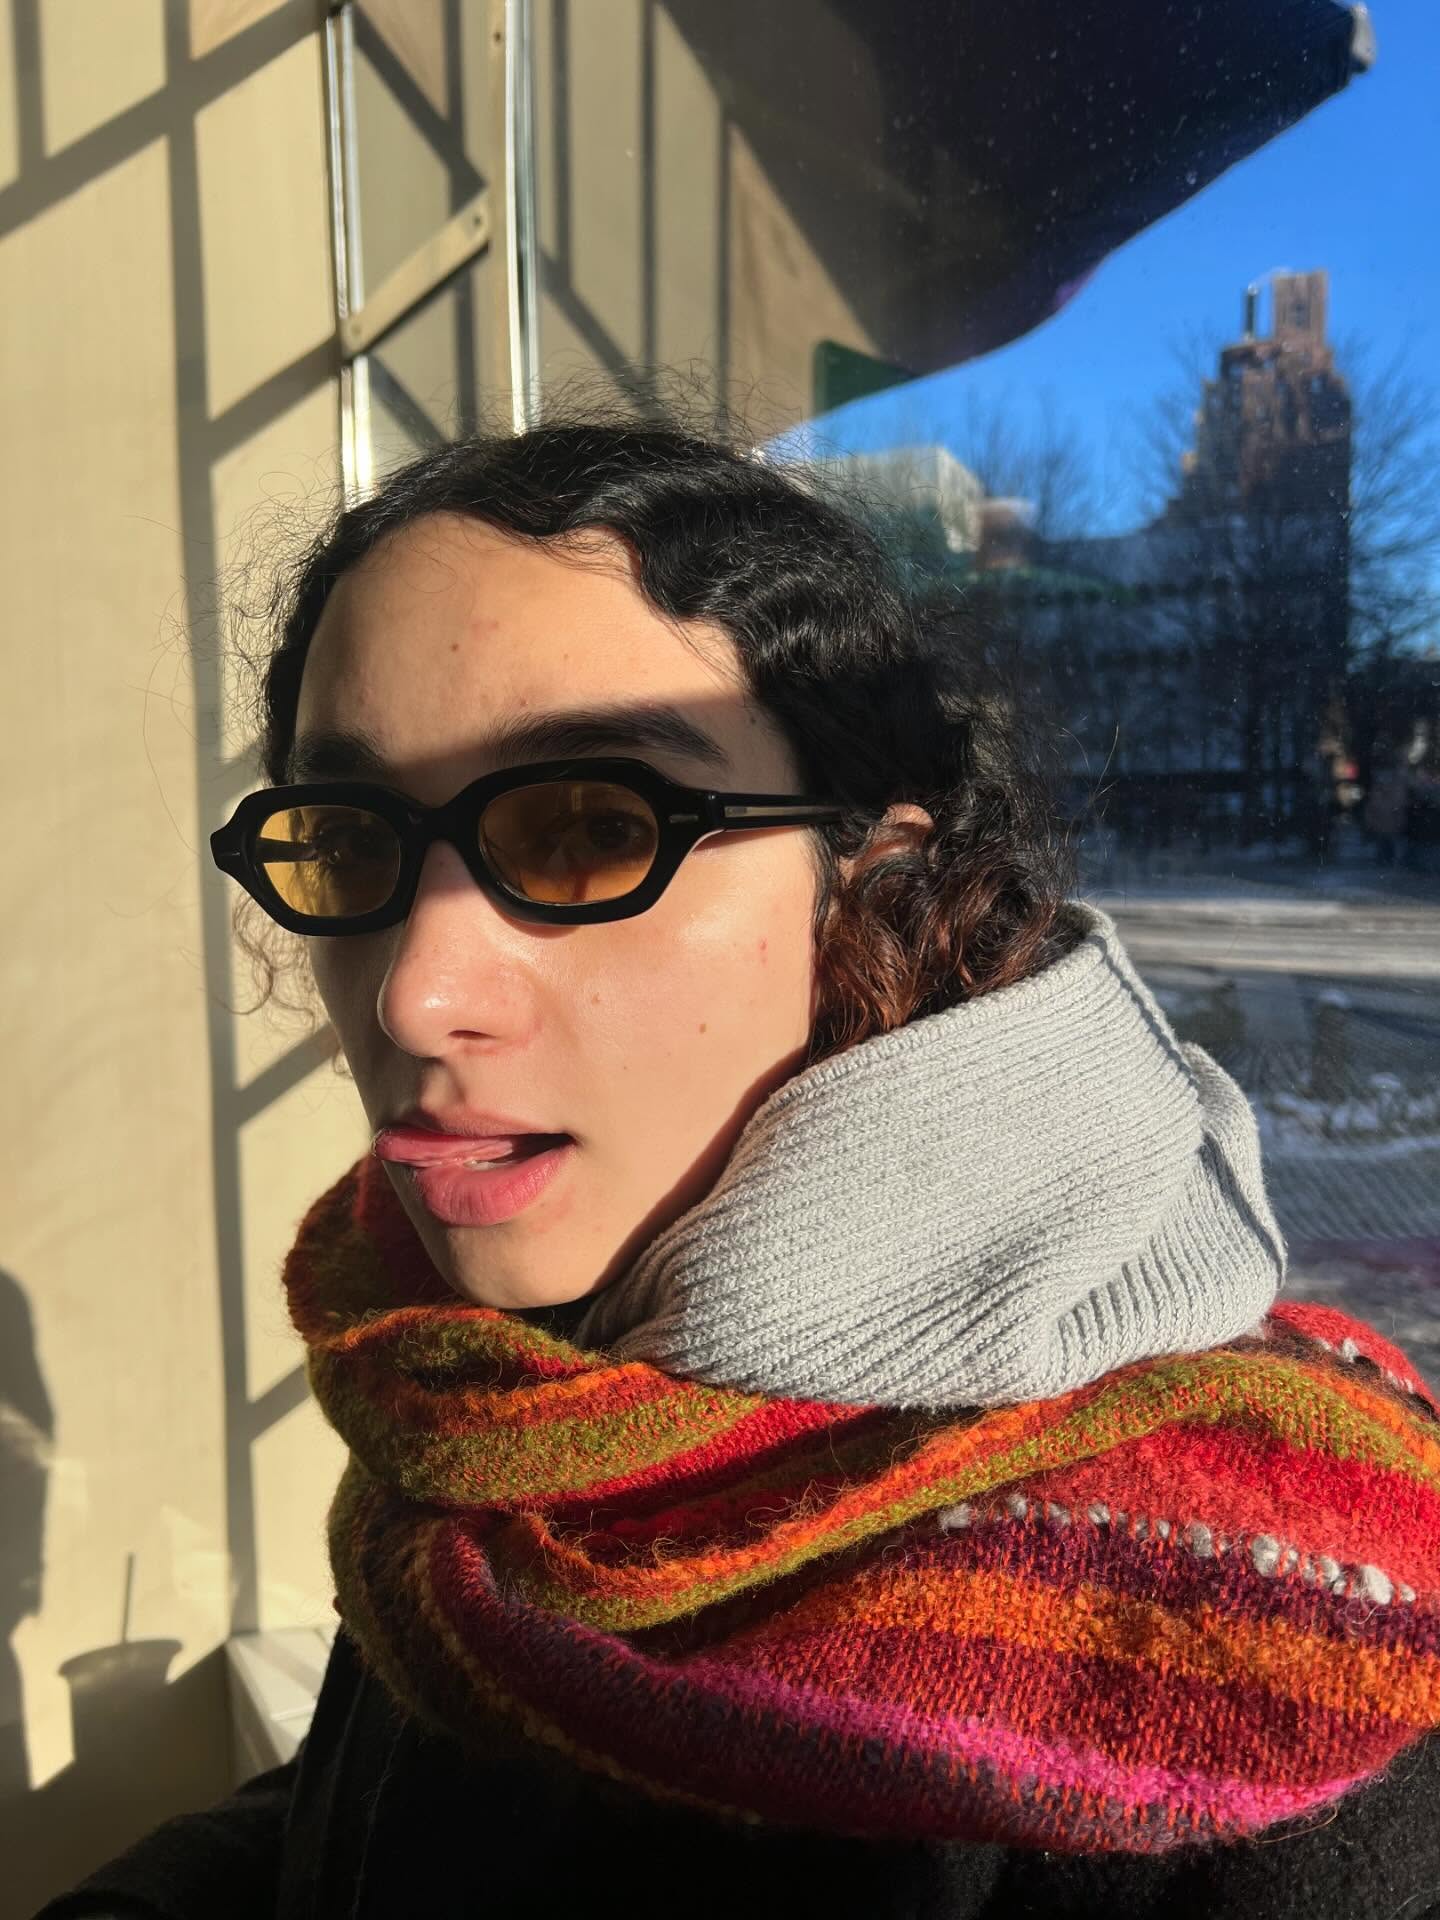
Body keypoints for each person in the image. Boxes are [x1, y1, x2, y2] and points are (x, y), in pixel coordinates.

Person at [39, 420, 1440, 1920]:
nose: (412, 994)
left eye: (592, 827)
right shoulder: (486, 1383)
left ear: (875, 879)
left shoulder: (1279, 1628)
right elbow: (386, 1810)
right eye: (352, 837)